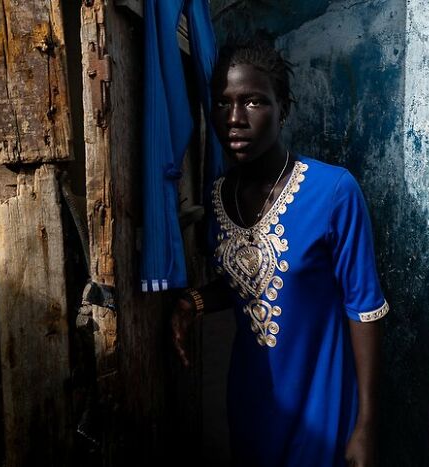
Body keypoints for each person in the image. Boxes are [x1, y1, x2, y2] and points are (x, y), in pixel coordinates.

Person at [171, 38, 389, 467]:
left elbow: (365, 309)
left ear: (283, 108)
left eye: (253, 102)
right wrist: (192, 301)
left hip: (321, 409)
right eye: (223, 104)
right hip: (251, 405)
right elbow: (247, 283)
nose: (234, 119)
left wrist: (366, 425)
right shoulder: (218, 198)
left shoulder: (334, 193)